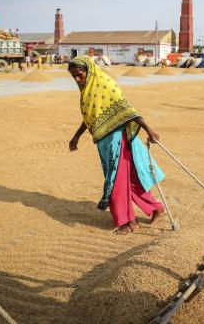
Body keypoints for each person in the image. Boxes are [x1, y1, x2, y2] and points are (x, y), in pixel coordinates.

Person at [68, 56, 165, 235]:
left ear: (89, 71)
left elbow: (127, 109)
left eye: (80, 75)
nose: (77, 80)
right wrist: (76, 136)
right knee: (129, 180)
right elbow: (91, 116)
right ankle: (156, 208)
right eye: (74, 76)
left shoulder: (105, 84)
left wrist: (148, 129)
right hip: (104, 142)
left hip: (117, 141)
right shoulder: (87, 90)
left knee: (116, 182)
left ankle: (129, 221)